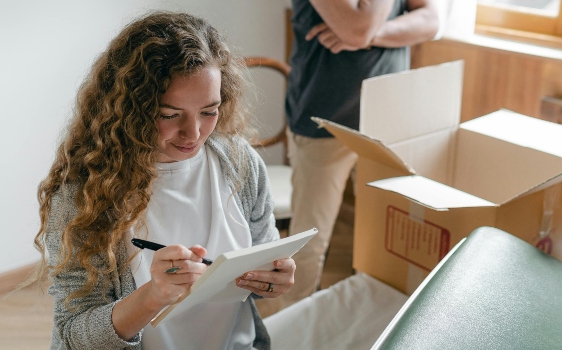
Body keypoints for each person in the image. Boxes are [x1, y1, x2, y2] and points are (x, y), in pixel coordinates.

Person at [29, 12, 292, 350]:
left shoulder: (241, 163)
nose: (194, 133)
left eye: (209, 111)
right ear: (131, 109)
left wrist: (272, 280)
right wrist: (151, 297)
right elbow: (73, 335)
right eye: (170, 115)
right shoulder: (84, 193)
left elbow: (262, 264)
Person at [256, 0, 440, 316]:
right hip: (324, 120)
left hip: (387, 119)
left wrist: (376, 33)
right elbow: (358, 28)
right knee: (309, 243)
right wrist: (368, 32)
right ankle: (291, 325)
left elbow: (431, 21)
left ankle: (360, 322)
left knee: (381, 239)